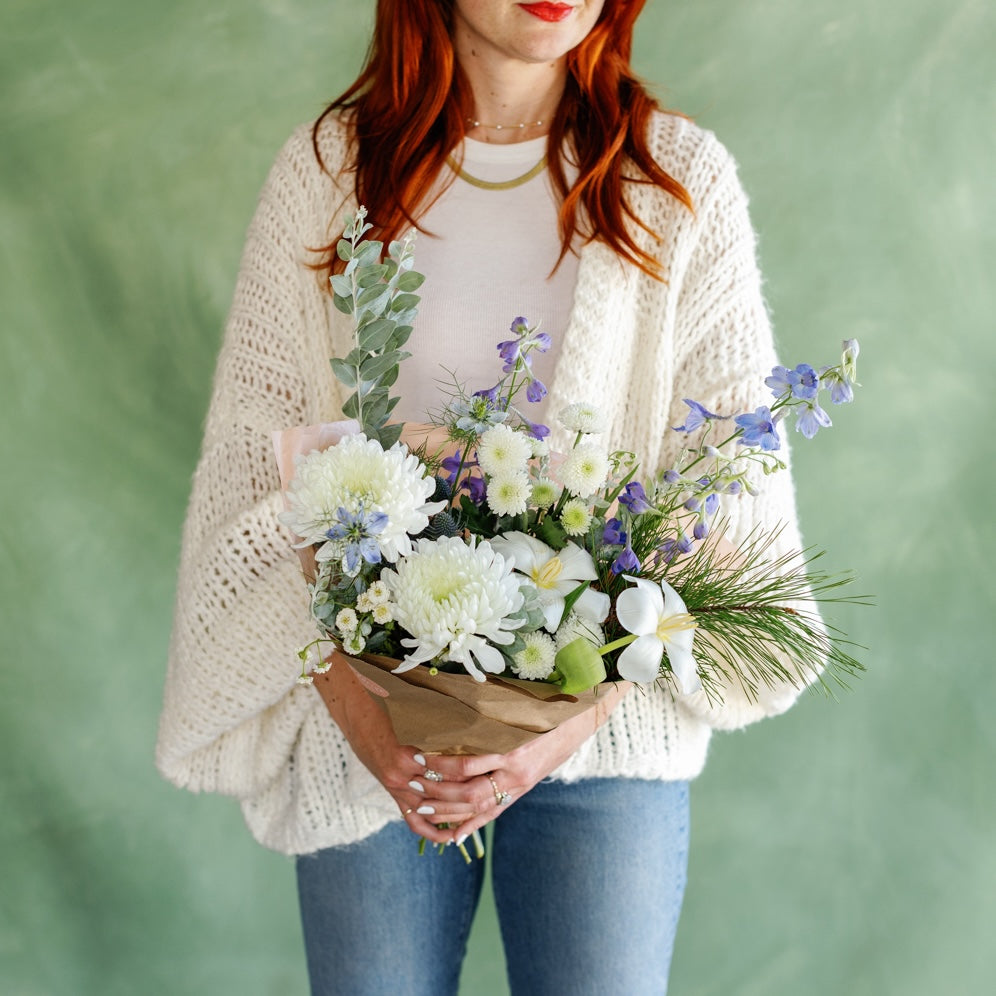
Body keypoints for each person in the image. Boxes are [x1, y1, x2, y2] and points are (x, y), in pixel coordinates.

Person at [156, 1, 814, 993]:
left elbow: (722, 491)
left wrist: (574, 714)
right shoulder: (329, 175)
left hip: (607, 735)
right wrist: (359, 707)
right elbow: (264, 476)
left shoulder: (674, 183)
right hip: (372, 736)